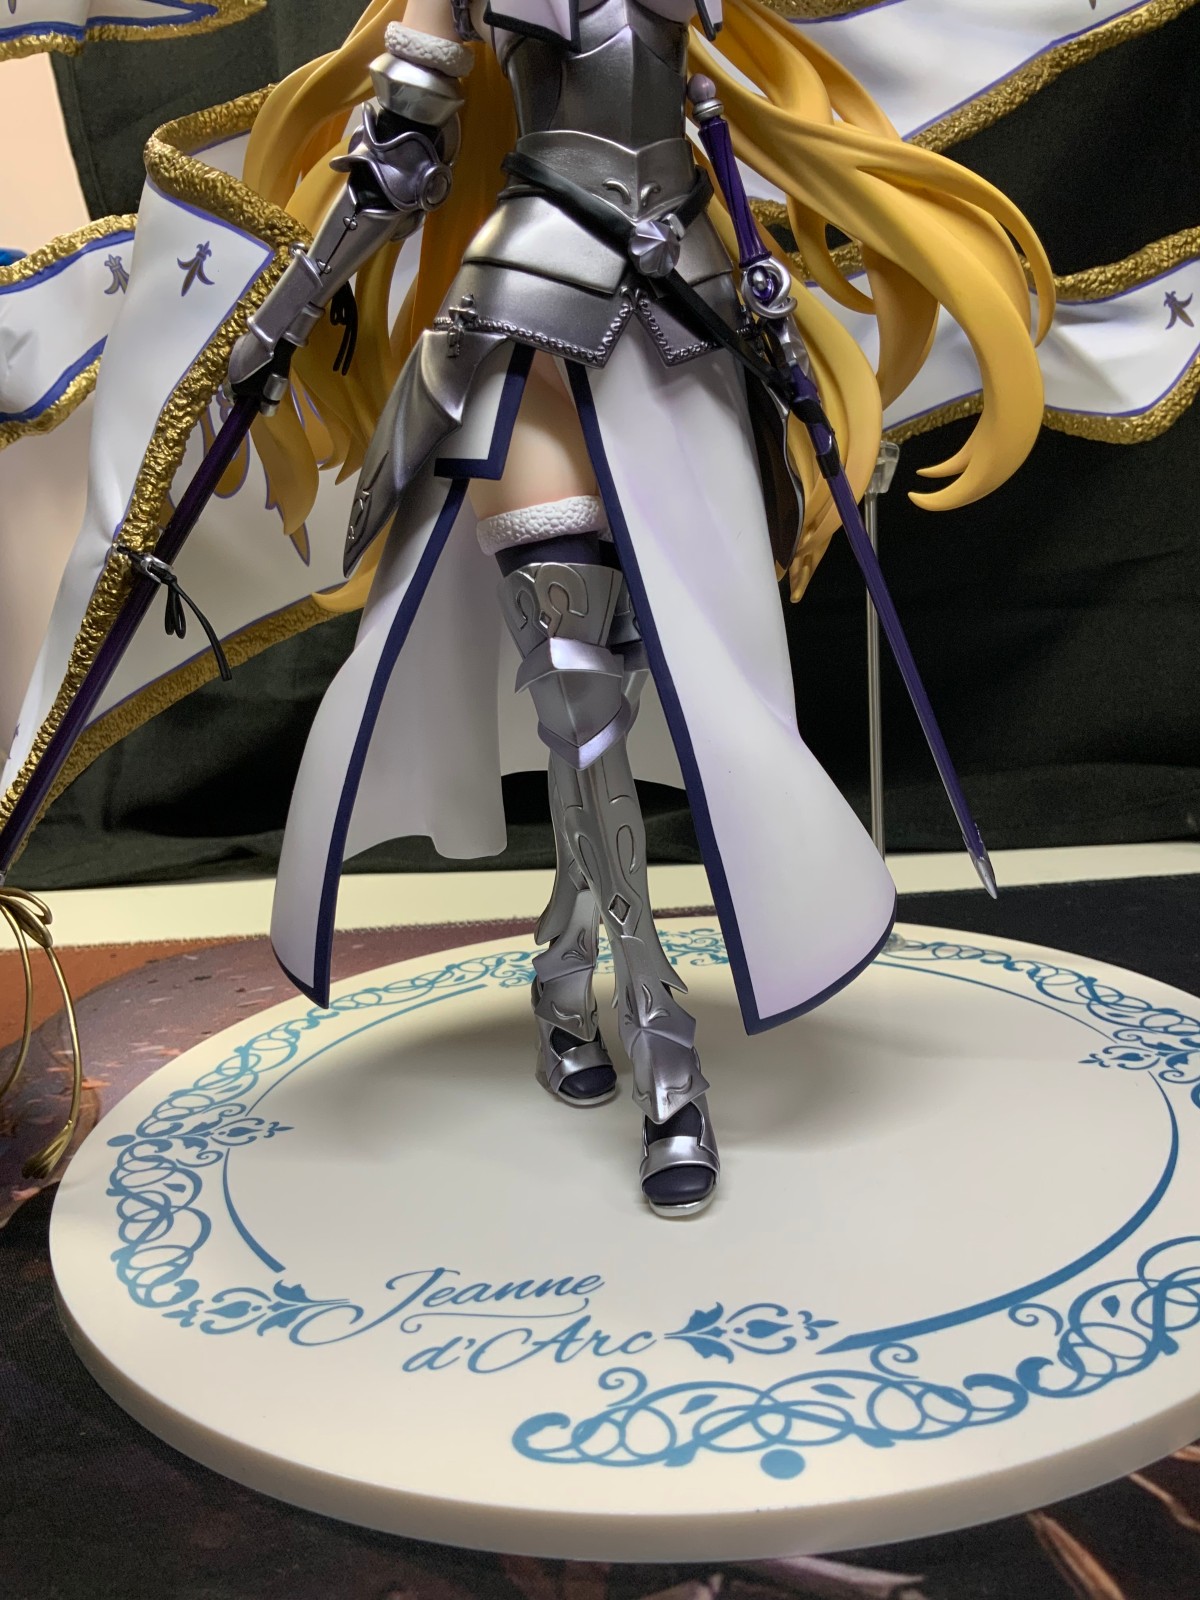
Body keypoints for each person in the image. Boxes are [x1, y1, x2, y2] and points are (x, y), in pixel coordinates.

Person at [226, 0, 1053, 1217]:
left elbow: (704, 101)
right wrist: (281, 315)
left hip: (686, 315)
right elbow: (402, 150)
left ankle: (565, 956)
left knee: (647, 680)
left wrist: (766, 287)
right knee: (576, 690)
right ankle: (663, 1042)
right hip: (531, 309)